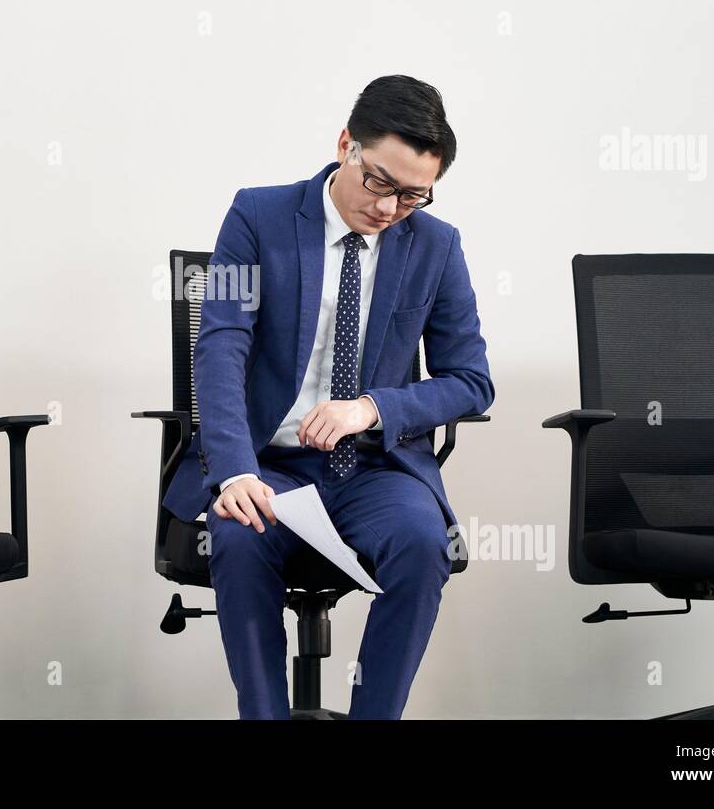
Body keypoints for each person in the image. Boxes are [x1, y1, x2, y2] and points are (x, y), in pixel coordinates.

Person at [162, 75, 495, 718]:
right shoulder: (256, 215)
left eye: (413, 195)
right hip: (271, 465)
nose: (390, 208)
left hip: (373, 469)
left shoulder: (436, 245)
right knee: (238, 531)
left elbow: (472, 380)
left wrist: (374, 408)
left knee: (424, 543)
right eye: (379, 181)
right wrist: (233, 470)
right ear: (346, 144)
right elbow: (221, 344)